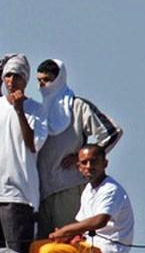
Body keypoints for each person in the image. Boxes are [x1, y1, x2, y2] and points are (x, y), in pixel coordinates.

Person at [35, 59, 124, 237]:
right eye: (39, 81)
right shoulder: (38, 110)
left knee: (69, 242)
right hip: (43, 191)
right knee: (44, 247)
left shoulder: (77, 106)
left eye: (47, 80)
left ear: (59, 79)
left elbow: (112, 132)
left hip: (69, 187)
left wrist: (80, 158)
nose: (42, 85)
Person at [0, 54, 48, 253]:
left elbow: (33, 144)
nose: (11, 81)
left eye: (17, 76)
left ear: (25, 80)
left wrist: (19, 111)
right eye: (8, 76)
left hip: (18, 196)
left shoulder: (37, 110)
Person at [30, 144, 134, 253]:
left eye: (94, 162)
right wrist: (67, 236)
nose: (89, 166)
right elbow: (82, 225)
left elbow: (100, 220)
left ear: (105, 164)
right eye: (84, 163)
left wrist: (65, 231)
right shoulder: (88, 190)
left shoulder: (111, 189)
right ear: (79, 167)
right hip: (88, 247)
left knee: (48, 252)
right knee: (36, 247)